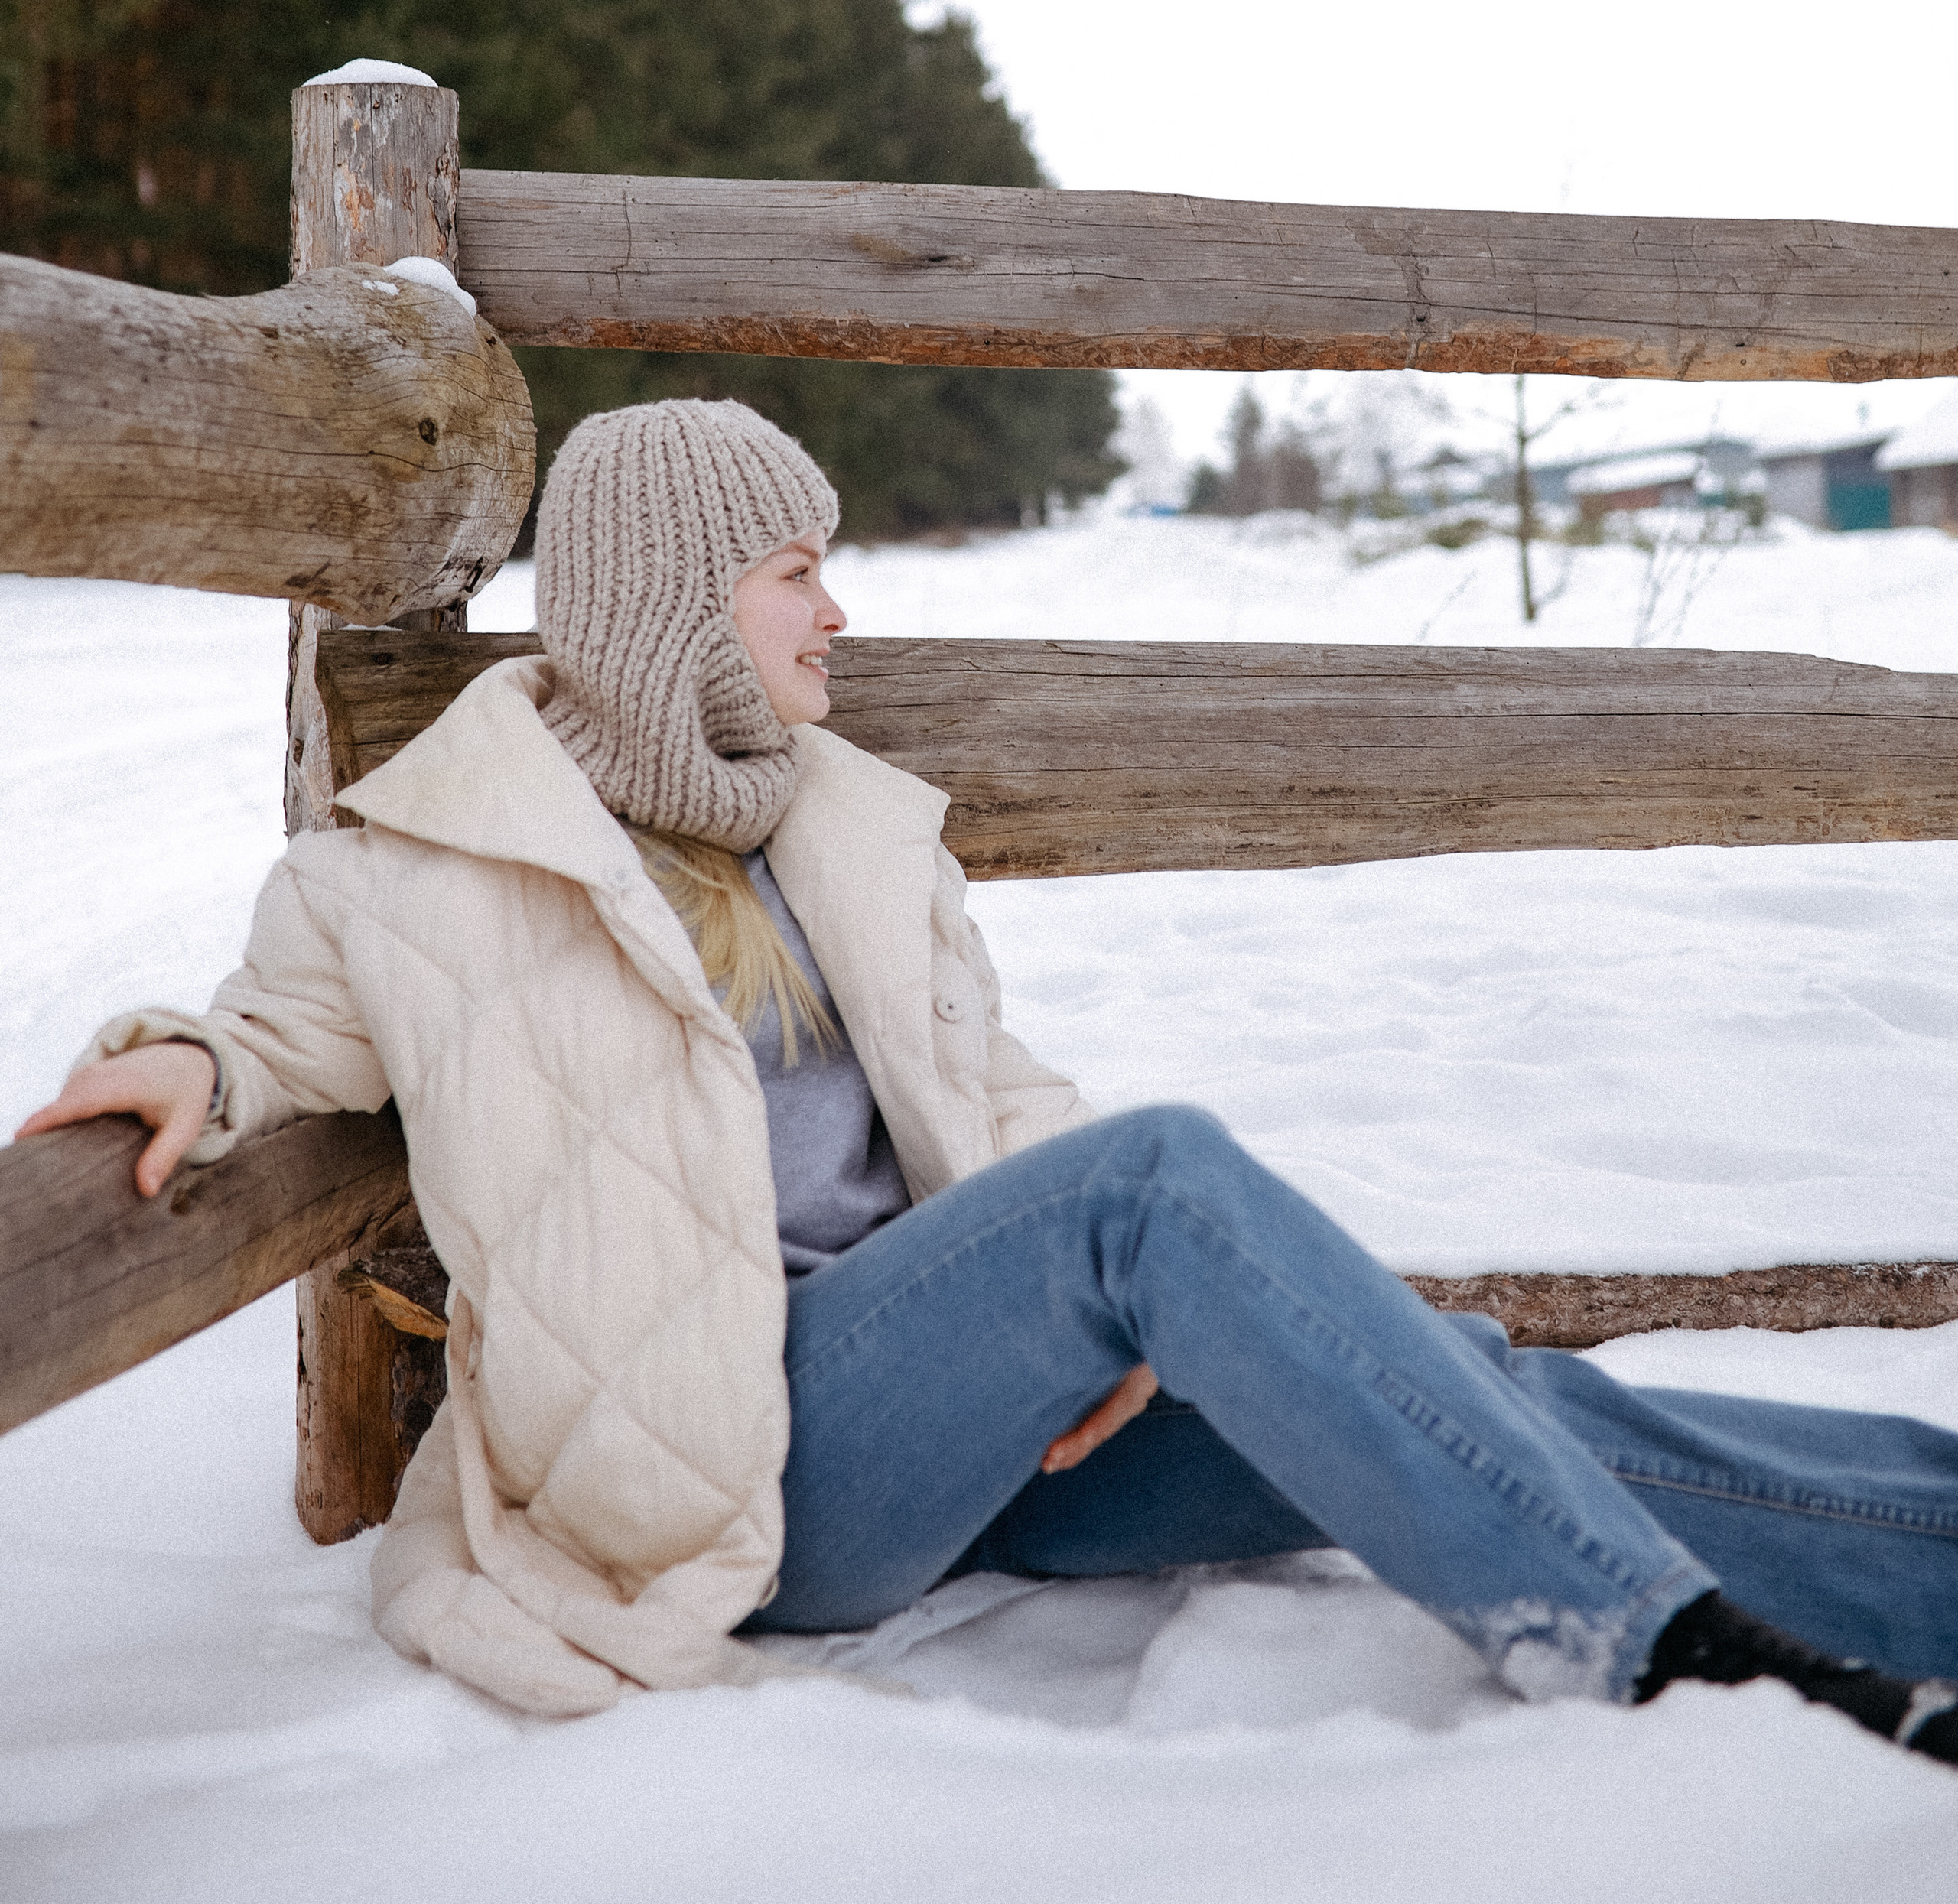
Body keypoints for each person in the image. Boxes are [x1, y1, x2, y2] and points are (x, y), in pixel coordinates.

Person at [18, 400, 1958, 1750]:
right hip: (731, 1471)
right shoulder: (416, 866)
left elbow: (994, 1093)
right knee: (1155, 1183)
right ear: (680, 599)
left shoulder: (839, 830)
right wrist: (171, 1058)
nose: (835, 613)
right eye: (794, 570)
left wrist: (1115, 1312)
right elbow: (263, 1037)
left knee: (1452, 1377)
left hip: (976, 1434)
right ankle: (1649, 1650)